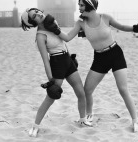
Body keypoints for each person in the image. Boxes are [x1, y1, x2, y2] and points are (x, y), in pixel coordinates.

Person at [44, 0, 138, 132]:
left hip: (115, 54)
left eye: (81, 5)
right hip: (100, 58)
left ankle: (135, 121)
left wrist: (136, 28)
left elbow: (121, 26)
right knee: (87, 89)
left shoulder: (105, 17)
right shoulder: (81, 22)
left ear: (90, 5)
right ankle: (89, 115)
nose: (79, 8)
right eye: (79, 5)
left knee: (123, 89)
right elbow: (68, 37)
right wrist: (55, 30)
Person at [21, 8, 92, 137]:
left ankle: (82, 119)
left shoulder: (53, 24)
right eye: (34, 16)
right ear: (32, 22)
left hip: (67, 60)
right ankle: (35, 126)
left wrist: (70, 58)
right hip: (57, 63)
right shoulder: (40, 36)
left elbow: (65, 40)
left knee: (81, 92)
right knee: (51, 97)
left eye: (37, 12)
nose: (39, 14)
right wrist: (50, 80)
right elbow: (45, 60)